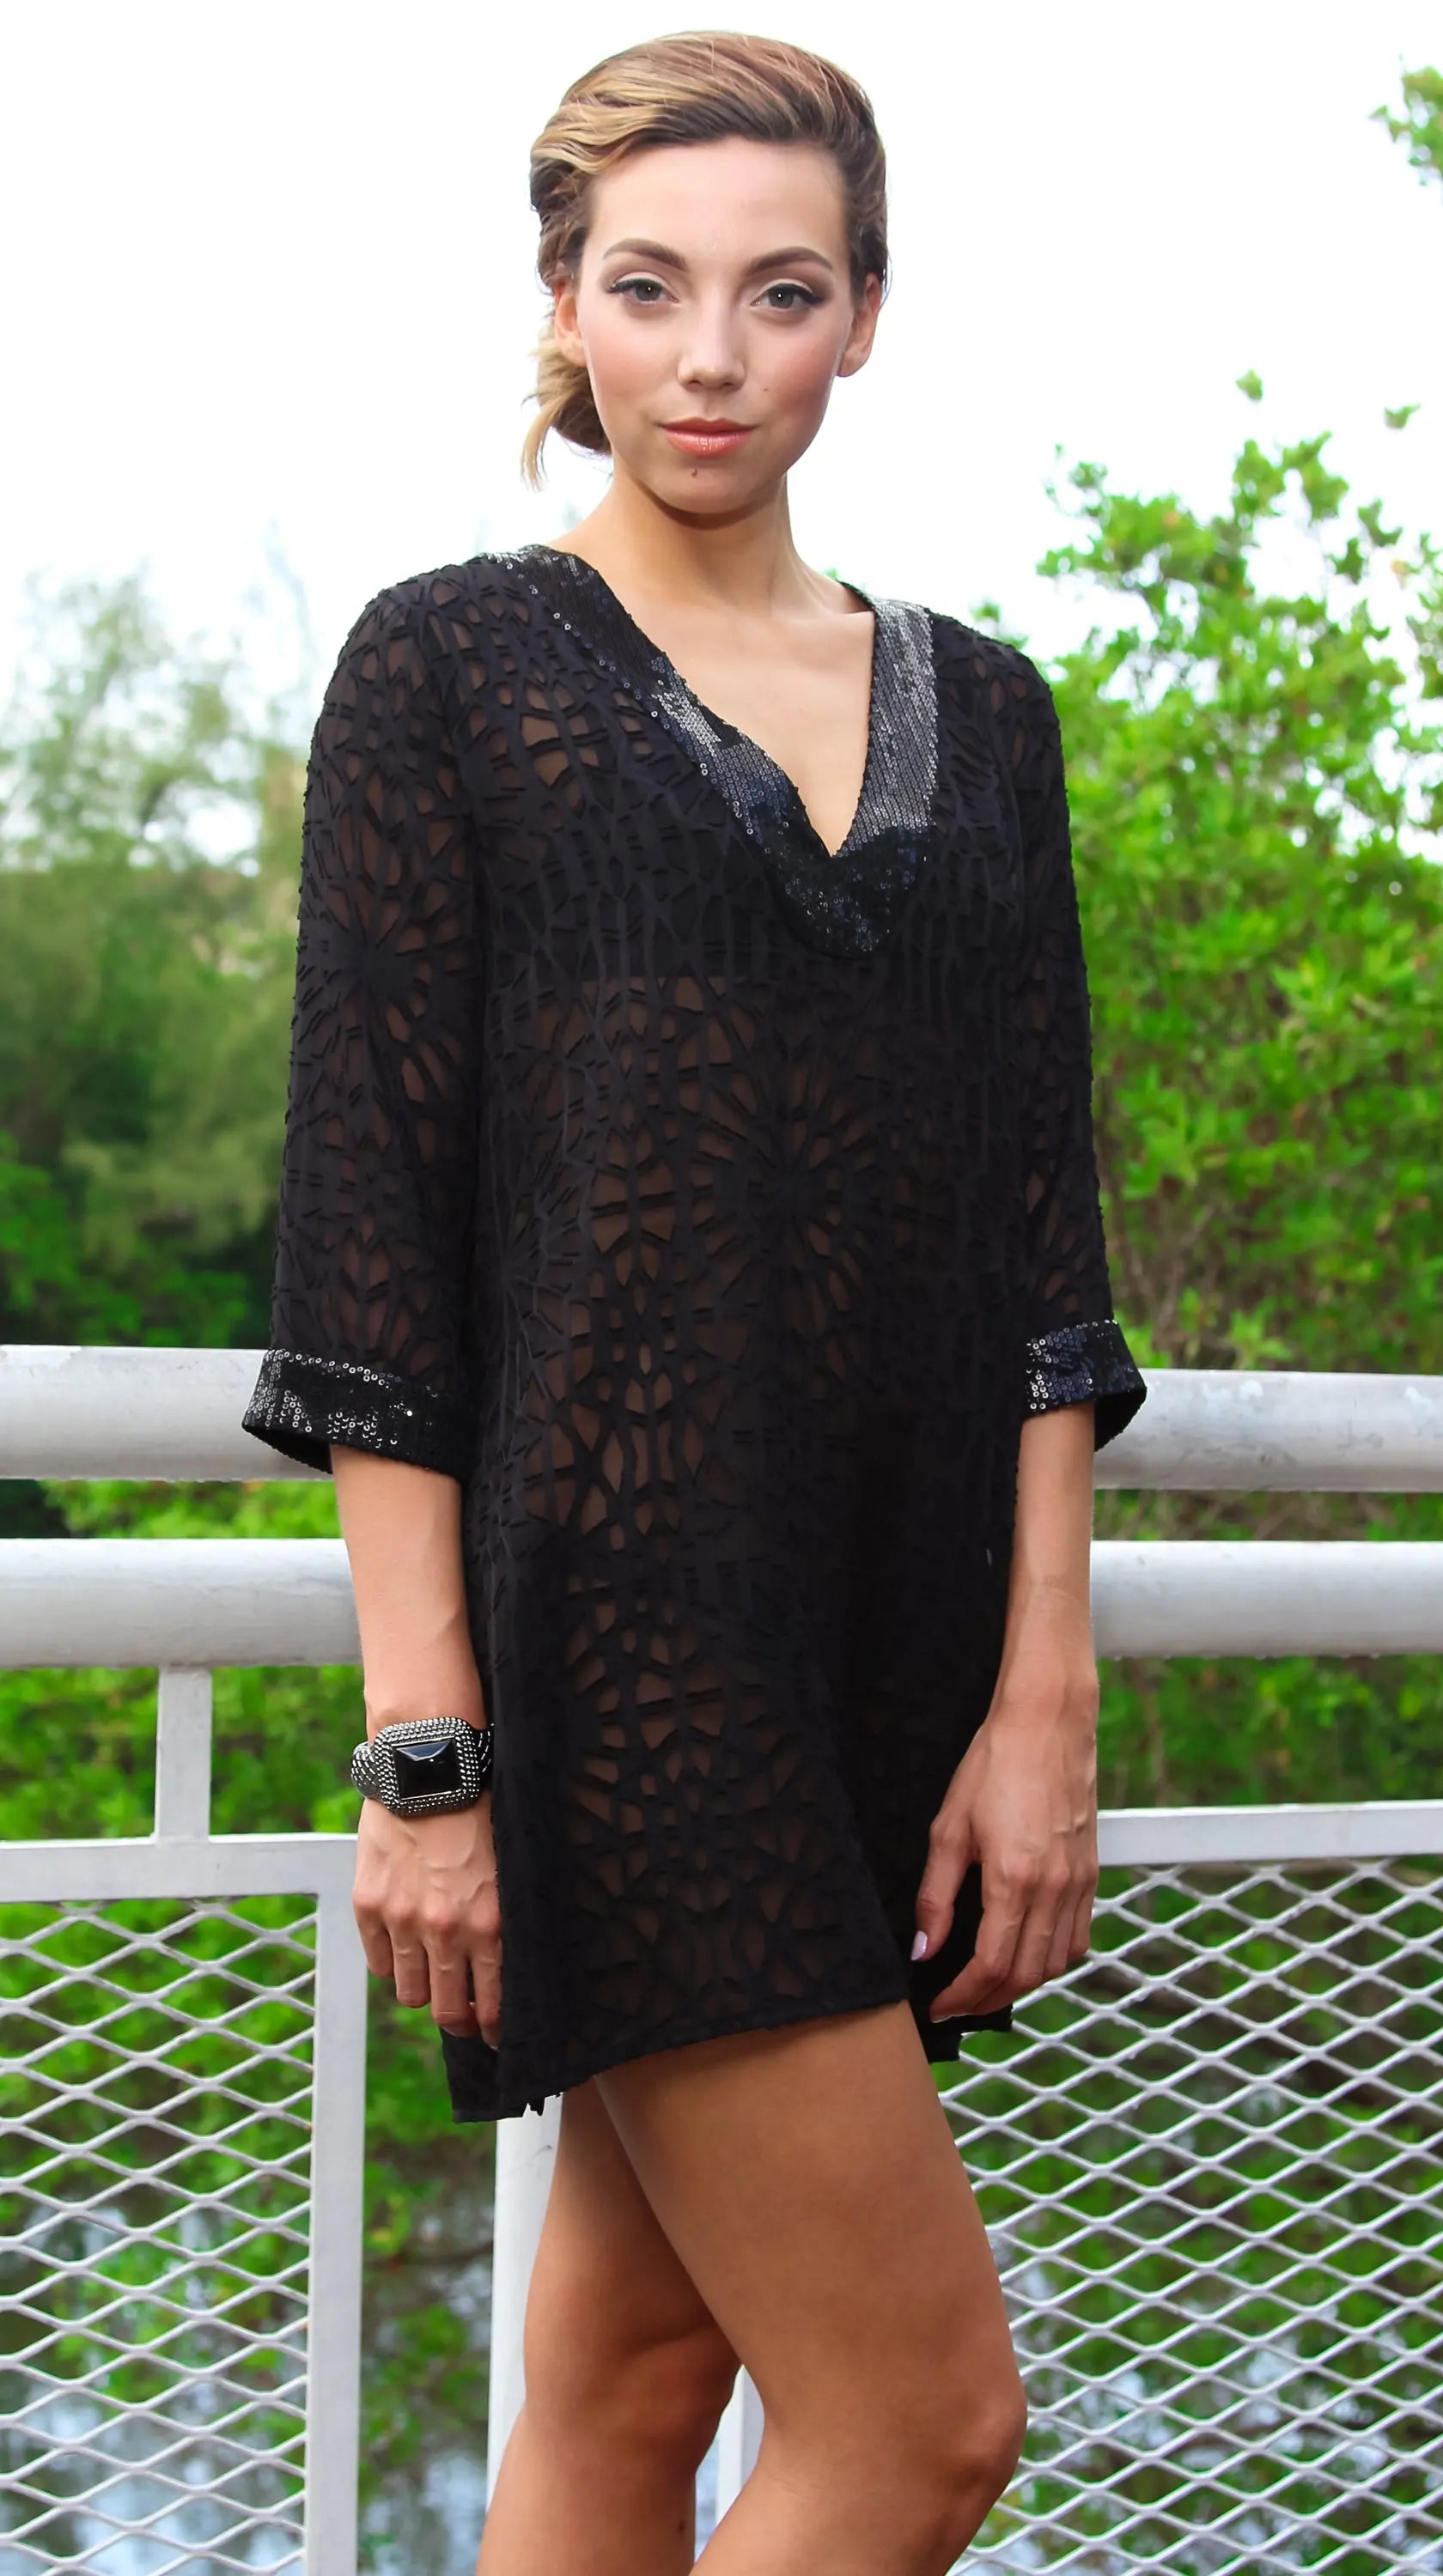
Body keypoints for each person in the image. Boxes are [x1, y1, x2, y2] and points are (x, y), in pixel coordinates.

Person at [241, 27, 1146, 2574]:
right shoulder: (453, 677)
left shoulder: (996, 713)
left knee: (639, 2377)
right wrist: (429, 1753)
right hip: (626, 1661)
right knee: (927, 2426)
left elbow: (1033, 1254)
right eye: (647, 290)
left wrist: (1037, 1698)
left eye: (778, 290)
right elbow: (371, 1242)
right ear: (567, 303)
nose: (712, 355)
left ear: (868, 314)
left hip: (894, 1637)